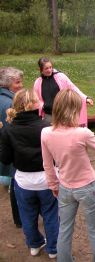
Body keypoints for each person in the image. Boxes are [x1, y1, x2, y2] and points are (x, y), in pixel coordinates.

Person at [41, 89, 95, 262]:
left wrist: (53, 185)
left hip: (65, 188)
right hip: (87, 188)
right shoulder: (82, 133)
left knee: (64, 229)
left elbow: (48, 165)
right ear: (73, 110)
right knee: (94, 230)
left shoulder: (46, 133)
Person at [0, 89, 59, 258]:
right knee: (51, 214)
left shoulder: (8, 130)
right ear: (33, 104)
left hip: (24, 181)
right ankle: (53, 248)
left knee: (27, 214)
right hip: (47, 179)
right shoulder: (47, 126)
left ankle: (34, 244)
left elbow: (4, 159)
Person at [33, 57, 93, 125]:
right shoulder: (38, 82)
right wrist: (43, 106)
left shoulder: (61, 77)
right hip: (48, 116)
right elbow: (35, 99)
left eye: (50, 67)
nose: (49, 70)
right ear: (41, 70)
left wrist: (85, 98)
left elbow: (73, 88)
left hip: (64, 114)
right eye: (46, 68)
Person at [0, 67, 23, 228]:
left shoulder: (4, 97)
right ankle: (20, 218)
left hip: (7, 147)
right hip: (13, 149)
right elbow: (12, 130)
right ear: (8, 84)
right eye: (17, 82)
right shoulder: (9, 103)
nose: (21, 85)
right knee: (17, 183)